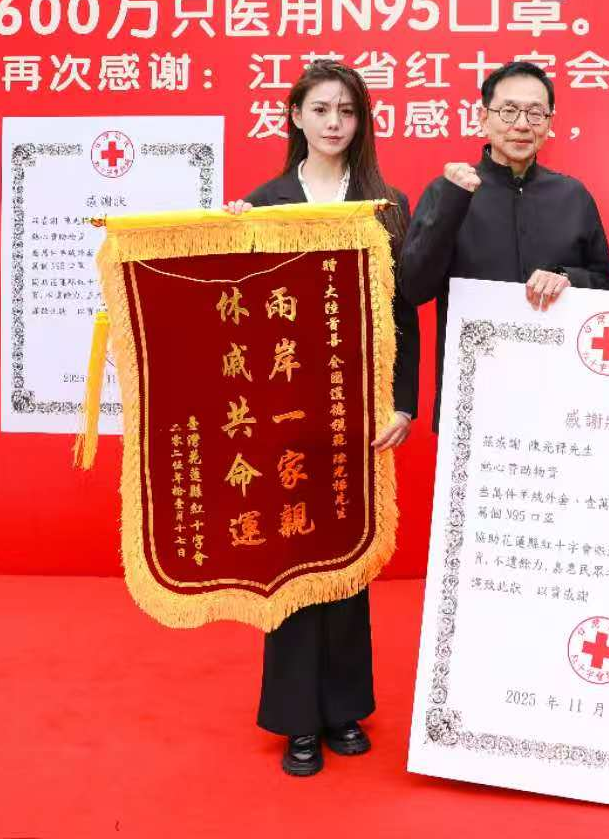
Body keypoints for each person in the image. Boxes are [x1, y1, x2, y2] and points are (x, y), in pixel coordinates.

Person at [224, 60, 421, 779]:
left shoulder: (385, 204)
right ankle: (296, 719)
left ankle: (343, 709)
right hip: (282, 406)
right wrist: (227, 242)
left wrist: (403, 401)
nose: (335, 122)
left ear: (361, 121)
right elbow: (235, 310)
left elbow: (402, 313)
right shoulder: (262, 203)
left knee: (346, 559)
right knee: (292, 562)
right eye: (321, 109)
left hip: (357, 407)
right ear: (295, 117)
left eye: (347, 110)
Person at [399, 60, 609, 427]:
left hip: (561, 395)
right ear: (483, 118)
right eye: (509, 111)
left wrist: (568, 278)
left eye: (535, 113)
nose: (522, 125)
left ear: (549, 122)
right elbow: (414, 288)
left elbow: (608, 286)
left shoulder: (573, 196)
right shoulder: (448, 191)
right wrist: (453, 203)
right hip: (473, 396)